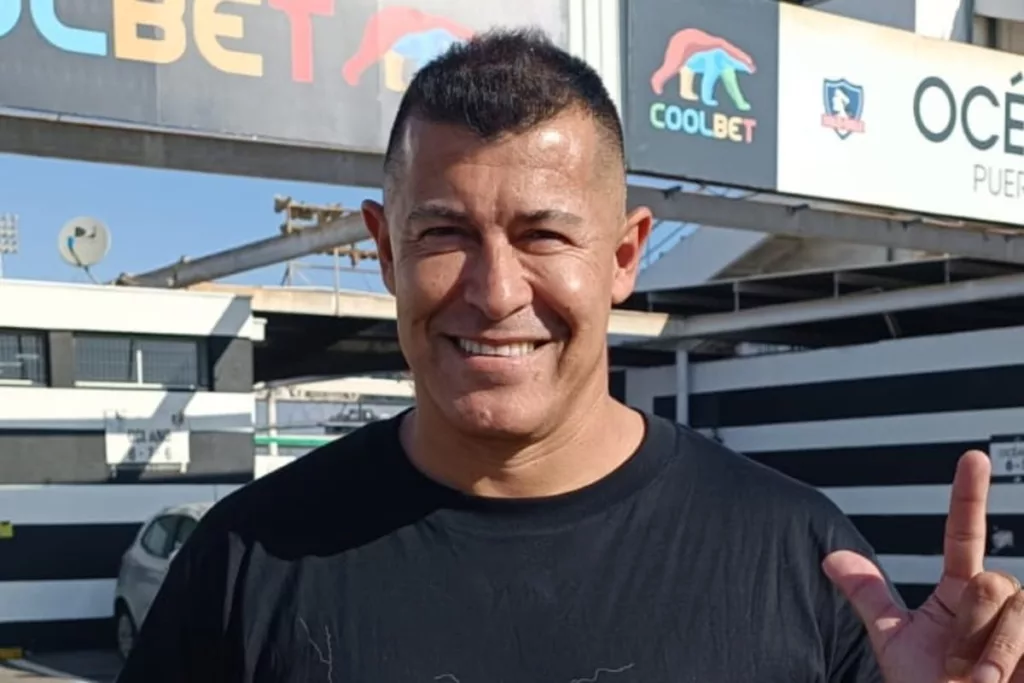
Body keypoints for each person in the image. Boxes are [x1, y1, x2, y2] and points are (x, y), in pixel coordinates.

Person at [117, 29, 1024, 683]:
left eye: (544, 234)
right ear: (386, 250)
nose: (496, 290)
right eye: (444, 233)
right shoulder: (246, 561)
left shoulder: (801, 559)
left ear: (623, 256)